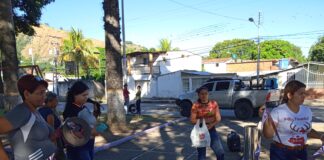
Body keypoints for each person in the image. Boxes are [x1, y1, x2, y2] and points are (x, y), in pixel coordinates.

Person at [263, 80, 324, 160]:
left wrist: (321, 136)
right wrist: (267, 119)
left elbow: (306, 130)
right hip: (281, 153)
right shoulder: (278, 111)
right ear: (289, 95)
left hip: (301, 152)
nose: (303, 96)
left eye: (304, 93)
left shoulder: (307, 111)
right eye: (300, 93)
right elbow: (268, 135)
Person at [0, 74, 56, 160]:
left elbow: (49, 136)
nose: (44, 96)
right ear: (26, 94)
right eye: (40, 93)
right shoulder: (21, 112)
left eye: (45, 92)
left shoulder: (35, 111)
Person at [62, 81, 99, 160]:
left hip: (89, 146)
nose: (86, 97)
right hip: (78, 149)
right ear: (75, 95)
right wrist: (91, 131)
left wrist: (95, 113)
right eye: (83, 95)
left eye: (87, 95)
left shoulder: (83, 107)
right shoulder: (71, 111)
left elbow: (90, 122)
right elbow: (73, 131)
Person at [190, 87, 225, 160]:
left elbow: (218, 118)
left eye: (206, 93)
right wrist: (207, 120)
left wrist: (211, 124)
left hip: (211, 130)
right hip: (200, 132)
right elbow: (192, 120)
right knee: (201, 156)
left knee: (220, 152)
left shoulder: (214, 104)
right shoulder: (195, 105)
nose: (204, 96)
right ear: (198, 95)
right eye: (202, 94)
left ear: (208, 94)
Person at [38, 91, 66, 160]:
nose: (57, 102)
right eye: (56, 100)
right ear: (50, 101)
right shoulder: (49, 113)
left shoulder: (39, 110)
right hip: (53, 141)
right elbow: (52, 132)